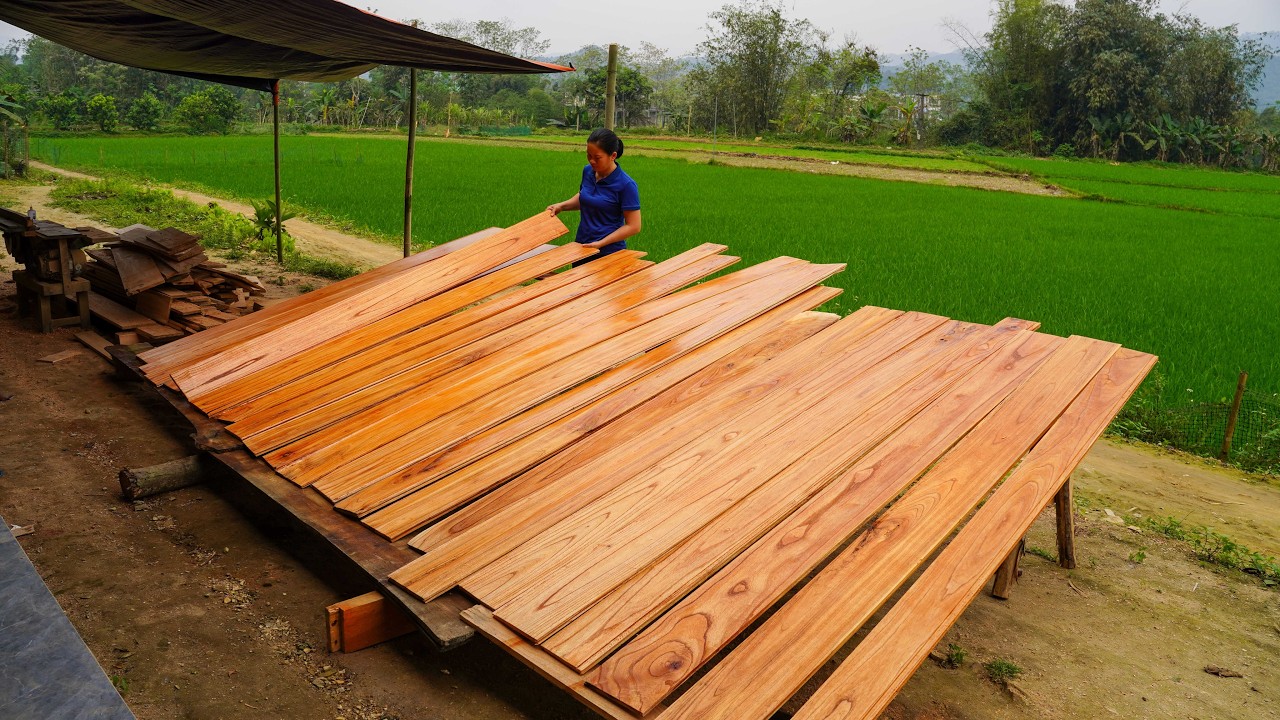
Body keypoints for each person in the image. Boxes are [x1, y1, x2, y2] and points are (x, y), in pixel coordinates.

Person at [546, 128, 641, 264]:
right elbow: (584, 197)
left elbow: (634, 226)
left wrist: (601, 243)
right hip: (582, 247)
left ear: (613, 156)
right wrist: (562, 206)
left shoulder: (626, 184)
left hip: (609, 253)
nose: (592, 161)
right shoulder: (588, 172)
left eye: (597, 158)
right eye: (589, 155)